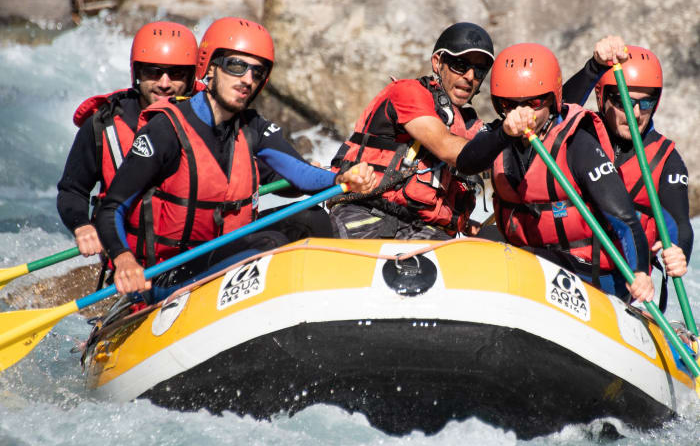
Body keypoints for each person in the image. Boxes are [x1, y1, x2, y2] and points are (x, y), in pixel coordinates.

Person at [95, 17, 376, 297]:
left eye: (257, 71)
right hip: (164, 274)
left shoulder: (252, 125)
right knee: (270, 243)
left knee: (311, 218)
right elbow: (111, 208)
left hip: (216, 255)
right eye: (236, 66)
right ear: (210, 68)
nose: (247, 79)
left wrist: (340, 178)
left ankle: (326, 299)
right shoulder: (166, 129)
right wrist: (123, 260)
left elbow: (300, 172)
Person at [455, 42, 654, 303]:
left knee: (518, 260)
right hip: (532, 259)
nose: (522, 112)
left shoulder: (577, 144)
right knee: (477, 246)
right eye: (510, 104)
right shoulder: (500, 136)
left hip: (590, 272)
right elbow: (465, 163)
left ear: (553, 100)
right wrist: (504, 133)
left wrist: (640, 273)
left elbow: (624, 219)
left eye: (533, 102)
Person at [329, 22, 494, 240]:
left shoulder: (471, 127)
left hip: (424, 229)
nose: (470, 76)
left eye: (479, 70)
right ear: (437, 62)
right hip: (367, 212)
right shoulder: (408, 92)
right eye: (460, 65)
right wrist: (503, 138)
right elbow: (448, 148)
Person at [57, 21, 199, 258]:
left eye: (175, 74)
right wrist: (81, 226)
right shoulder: (103, 126)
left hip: (201, 259)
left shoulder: (212, 121)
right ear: (137, 73)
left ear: (191, 77)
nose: (164, 84)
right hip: (130, 264)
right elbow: (72, 190)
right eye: (153, 72)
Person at [563, 35, 692, 293]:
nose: (635, 114)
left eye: (646, 103)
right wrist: (594, 67)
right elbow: (553, 110)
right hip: (561, 264)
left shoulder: (666, 159)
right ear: (602, 98)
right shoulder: (576, 134)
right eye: (623, 101)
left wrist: (679, 251)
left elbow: (680, 223)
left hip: (615, 281)